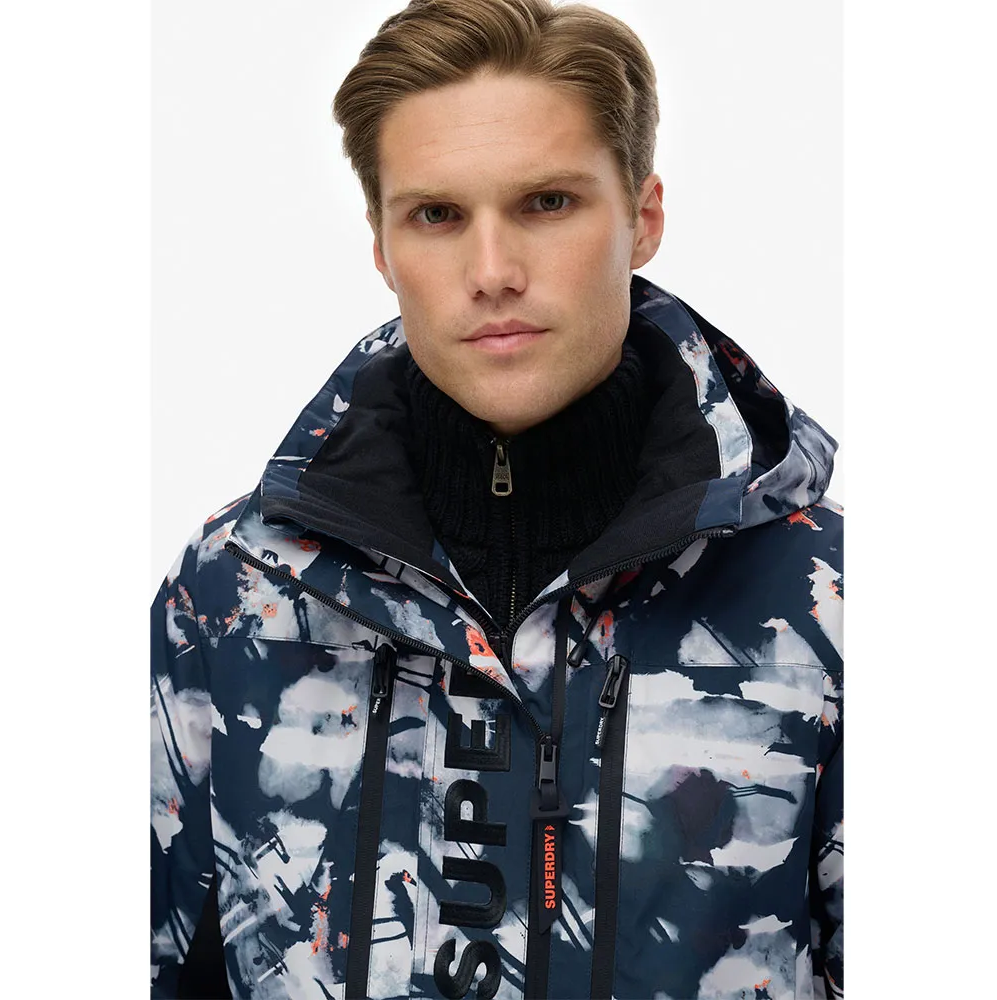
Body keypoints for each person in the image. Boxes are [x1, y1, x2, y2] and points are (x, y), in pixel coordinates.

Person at [150, 0, 843, 997]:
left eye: (546, 203)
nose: (492, 273)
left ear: (643, 218)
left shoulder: (828, 600)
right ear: (382, 247)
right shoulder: (229, 596)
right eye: (437, 216)